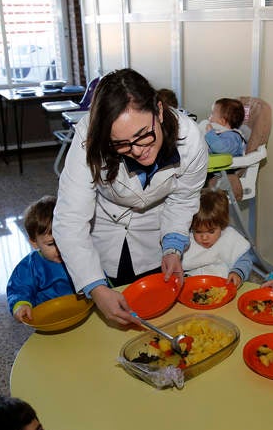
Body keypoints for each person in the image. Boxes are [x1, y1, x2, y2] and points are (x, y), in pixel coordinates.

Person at [53, 68, 208, 326]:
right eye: (121, 144)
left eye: (143, 136)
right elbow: (69, 218)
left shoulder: (190, 140)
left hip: (154, 226)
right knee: (109, 312)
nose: (137, 151)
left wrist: (172, 248)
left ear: (159, 110)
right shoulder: (88, 136)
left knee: (156, 312)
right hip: (105, 226)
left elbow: (183, 199)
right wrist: (95, 287)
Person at [6, 195, 75, 323]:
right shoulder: (30, 266)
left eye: (64, 240)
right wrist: (21, 305)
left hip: (81, 312)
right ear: (34, 243)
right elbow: (18, 289)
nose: (60, 248)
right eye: (51, 244)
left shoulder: (78, 254)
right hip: (49, 319)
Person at [181, 188, 253, 288]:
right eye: (198, 231)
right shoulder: (185, 239)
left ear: (221, 225)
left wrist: (237, 273)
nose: (204, 237)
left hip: (223, 285)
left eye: (211, 231)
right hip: (192, 285)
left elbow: (245, 261)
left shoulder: (229, 237)